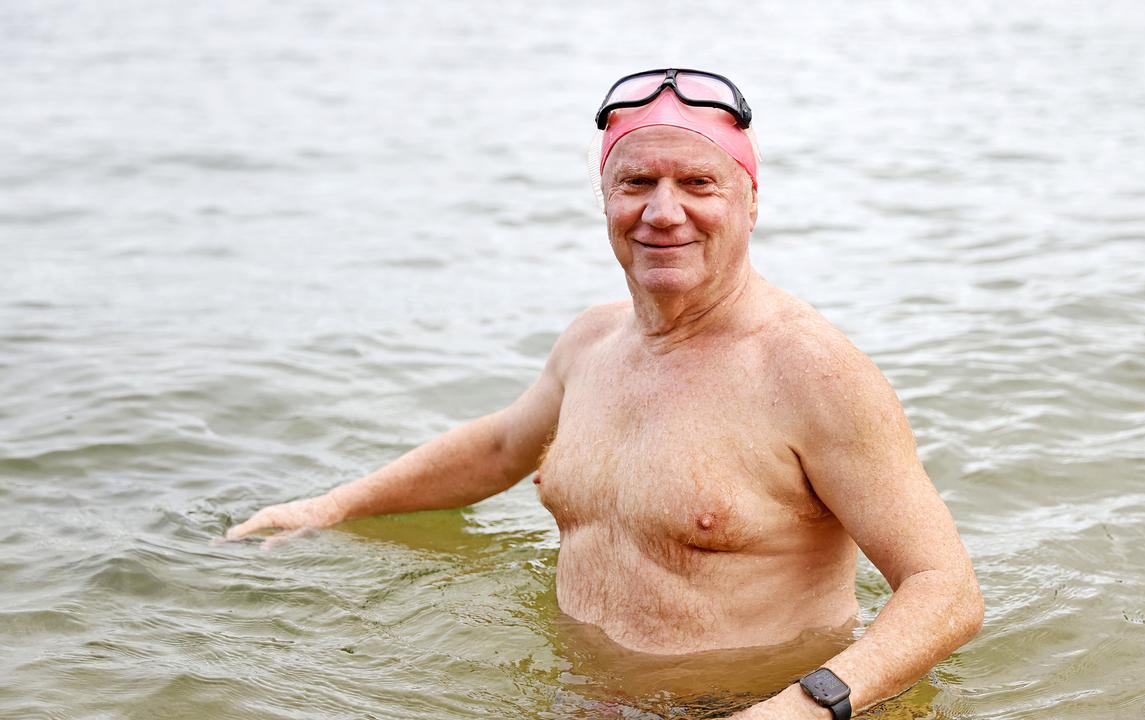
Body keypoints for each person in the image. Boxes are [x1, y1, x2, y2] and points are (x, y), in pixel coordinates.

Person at [226, 68, 984, 719]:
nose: (663, 212)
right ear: (605, 199)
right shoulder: (591, 342)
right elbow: (496, 449)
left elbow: (945, 589)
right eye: (636, 183)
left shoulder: (810, 373)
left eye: (698, 184)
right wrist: (332, 507)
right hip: (574, 698)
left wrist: (804, 705)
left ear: (750, 202)